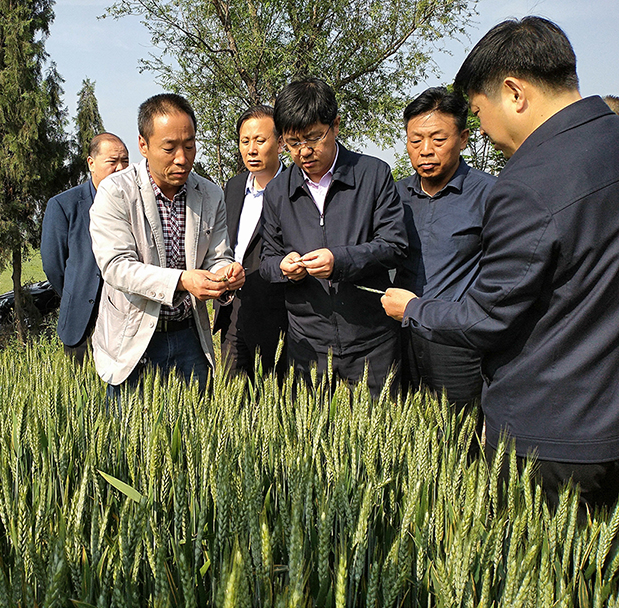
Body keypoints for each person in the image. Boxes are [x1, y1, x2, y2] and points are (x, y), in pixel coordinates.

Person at [382, 17, 619, 513]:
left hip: (551, 436)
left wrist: (414, 309)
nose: (486, 132)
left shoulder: (526, 183)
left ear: (514, 93)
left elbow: (488, 316)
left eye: (477, 112)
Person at [260, 77, 407, 398]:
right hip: (308, 345)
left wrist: (339, 261)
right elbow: (267, 261)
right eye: (293, 142)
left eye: (314, 137)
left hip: (371, 341)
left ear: (336, 125)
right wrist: (284, 267)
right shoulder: (277, 191)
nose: (304, 151)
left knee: (378, 427)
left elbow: (394, 245)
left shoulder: (373, 175)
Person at [89, 93, 245, 391]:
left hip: (190, 336)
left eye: (189, 146)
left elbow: (218, 256)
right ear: (143, 145)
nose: (182, 158)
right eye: (169, 148)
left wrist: (226, 273)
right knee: (131, 422)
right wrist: (183, 281)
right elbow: (116, 267)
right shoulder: (116, 192)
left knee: (195, 421)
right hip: (133, 340)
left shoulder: (210, 194)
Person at [396, 87, 496, 417]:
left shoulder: (490, 195)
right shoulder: (394, 196)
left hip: (456, 346)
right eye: (415, 141)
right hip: (399, 338)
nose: (425, 151)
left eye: (438, 140)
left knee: (456, 440)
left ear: (463, 138)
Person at [213, 105, 287, 382]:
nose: (251, 150)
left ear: (280, 143)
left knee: (274, 399)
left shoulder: (295, 189)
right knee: (230, 394)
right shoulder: (233, 187)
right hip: (232, 312)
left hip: (277, 319)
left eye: (260, 140)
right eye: (245, 141)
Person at [41, 132, 129, 363]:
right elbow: (53, 265)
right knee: (81, 384)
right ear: (91, 163)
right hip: (82, 322)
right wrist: (78, 292)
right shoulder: (64, 205)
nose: (121, 168)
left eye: (125, 161)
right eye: (112, 161)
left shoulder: (134, 203)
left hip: (126, 324)